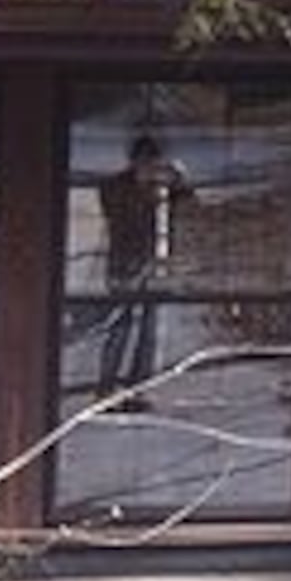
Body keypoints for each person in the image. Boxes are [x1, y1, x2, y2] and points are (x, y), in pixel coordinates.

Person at [91, 132, 190, 393]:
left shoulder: (160, 189)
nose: (148, 169)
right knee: (121, 324)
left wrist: (178, 182)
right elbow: (118, 214)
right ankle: (108, 382)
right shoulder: (118, 188)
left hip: (153, 265)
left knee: (150, 328)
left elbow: (189, 205)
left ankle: (139, 385)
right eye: (144, 163)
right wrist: (146, 192)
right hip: (125, 264)